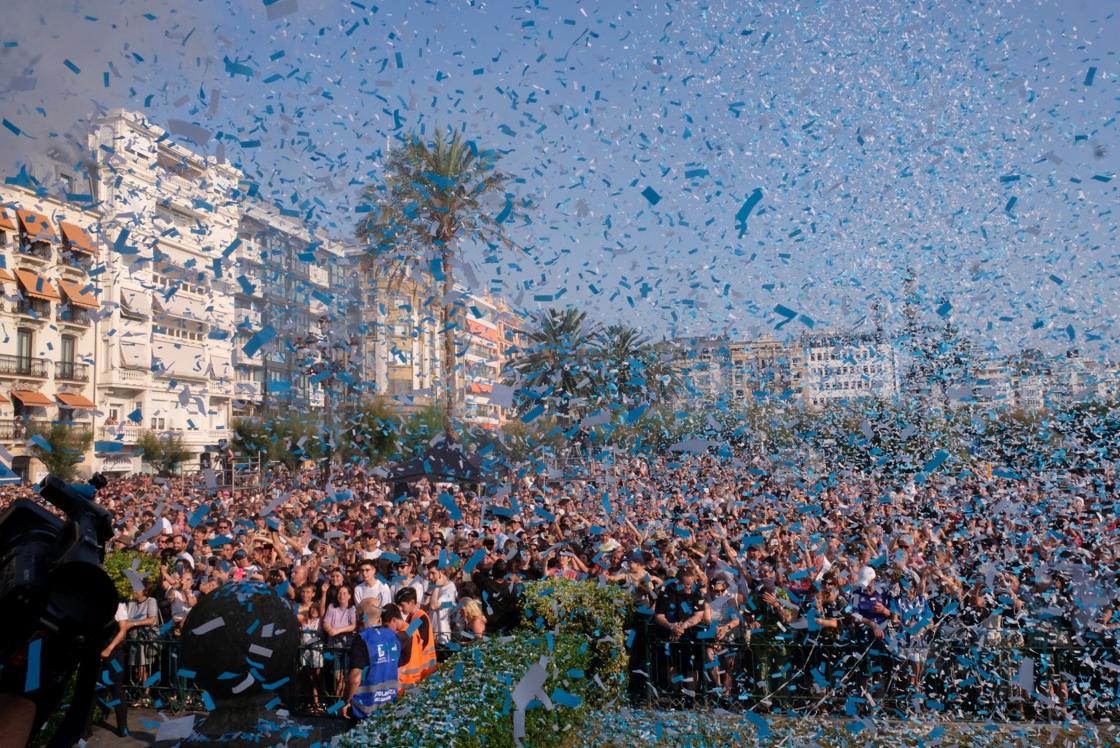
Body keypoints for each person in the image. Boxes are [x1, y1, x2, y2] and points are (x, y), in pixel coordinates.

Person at [341, 600, 402, 720]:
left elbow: (355, 678)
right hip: (388, 705)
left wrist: (345, 701)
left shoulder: (362, 639)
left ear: (361, 618)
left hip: (363, 709)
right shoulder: (393, 637)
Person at [393, 587, 437, 684]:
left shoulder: (419, 618)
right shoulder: (412, 617)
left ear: (412, 602)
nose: (399, 608)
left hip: (425, 668)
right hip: (422, 668)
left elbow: (407, 636)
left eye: (402, 605)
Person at [323, 585, 358, 697]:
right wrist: (329, 629)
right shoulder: (332, 607)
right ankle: (338, 701)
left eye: (344, 593)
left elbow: (353, 626)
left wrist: (337, 630)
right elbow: (326, 622)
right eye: (339, 593)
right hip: (334, 647)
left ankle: (341, 702)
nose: (341, 595)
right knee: (337, 677)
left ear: (349, 595)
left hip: (347, 647)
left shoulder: (352, 609)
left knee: (346, 676)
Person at [425, 562, 458, 647]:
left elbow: (434, 605)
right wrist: (428, 592)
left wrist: (436, 587)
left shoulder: (451, 588)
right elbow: (423, 607)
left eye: (433, 573)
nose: (430, 577)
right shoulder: (432, 585)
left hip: (444, 639)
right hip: (431, 636)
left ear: (442, 572)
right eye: (429, 574)